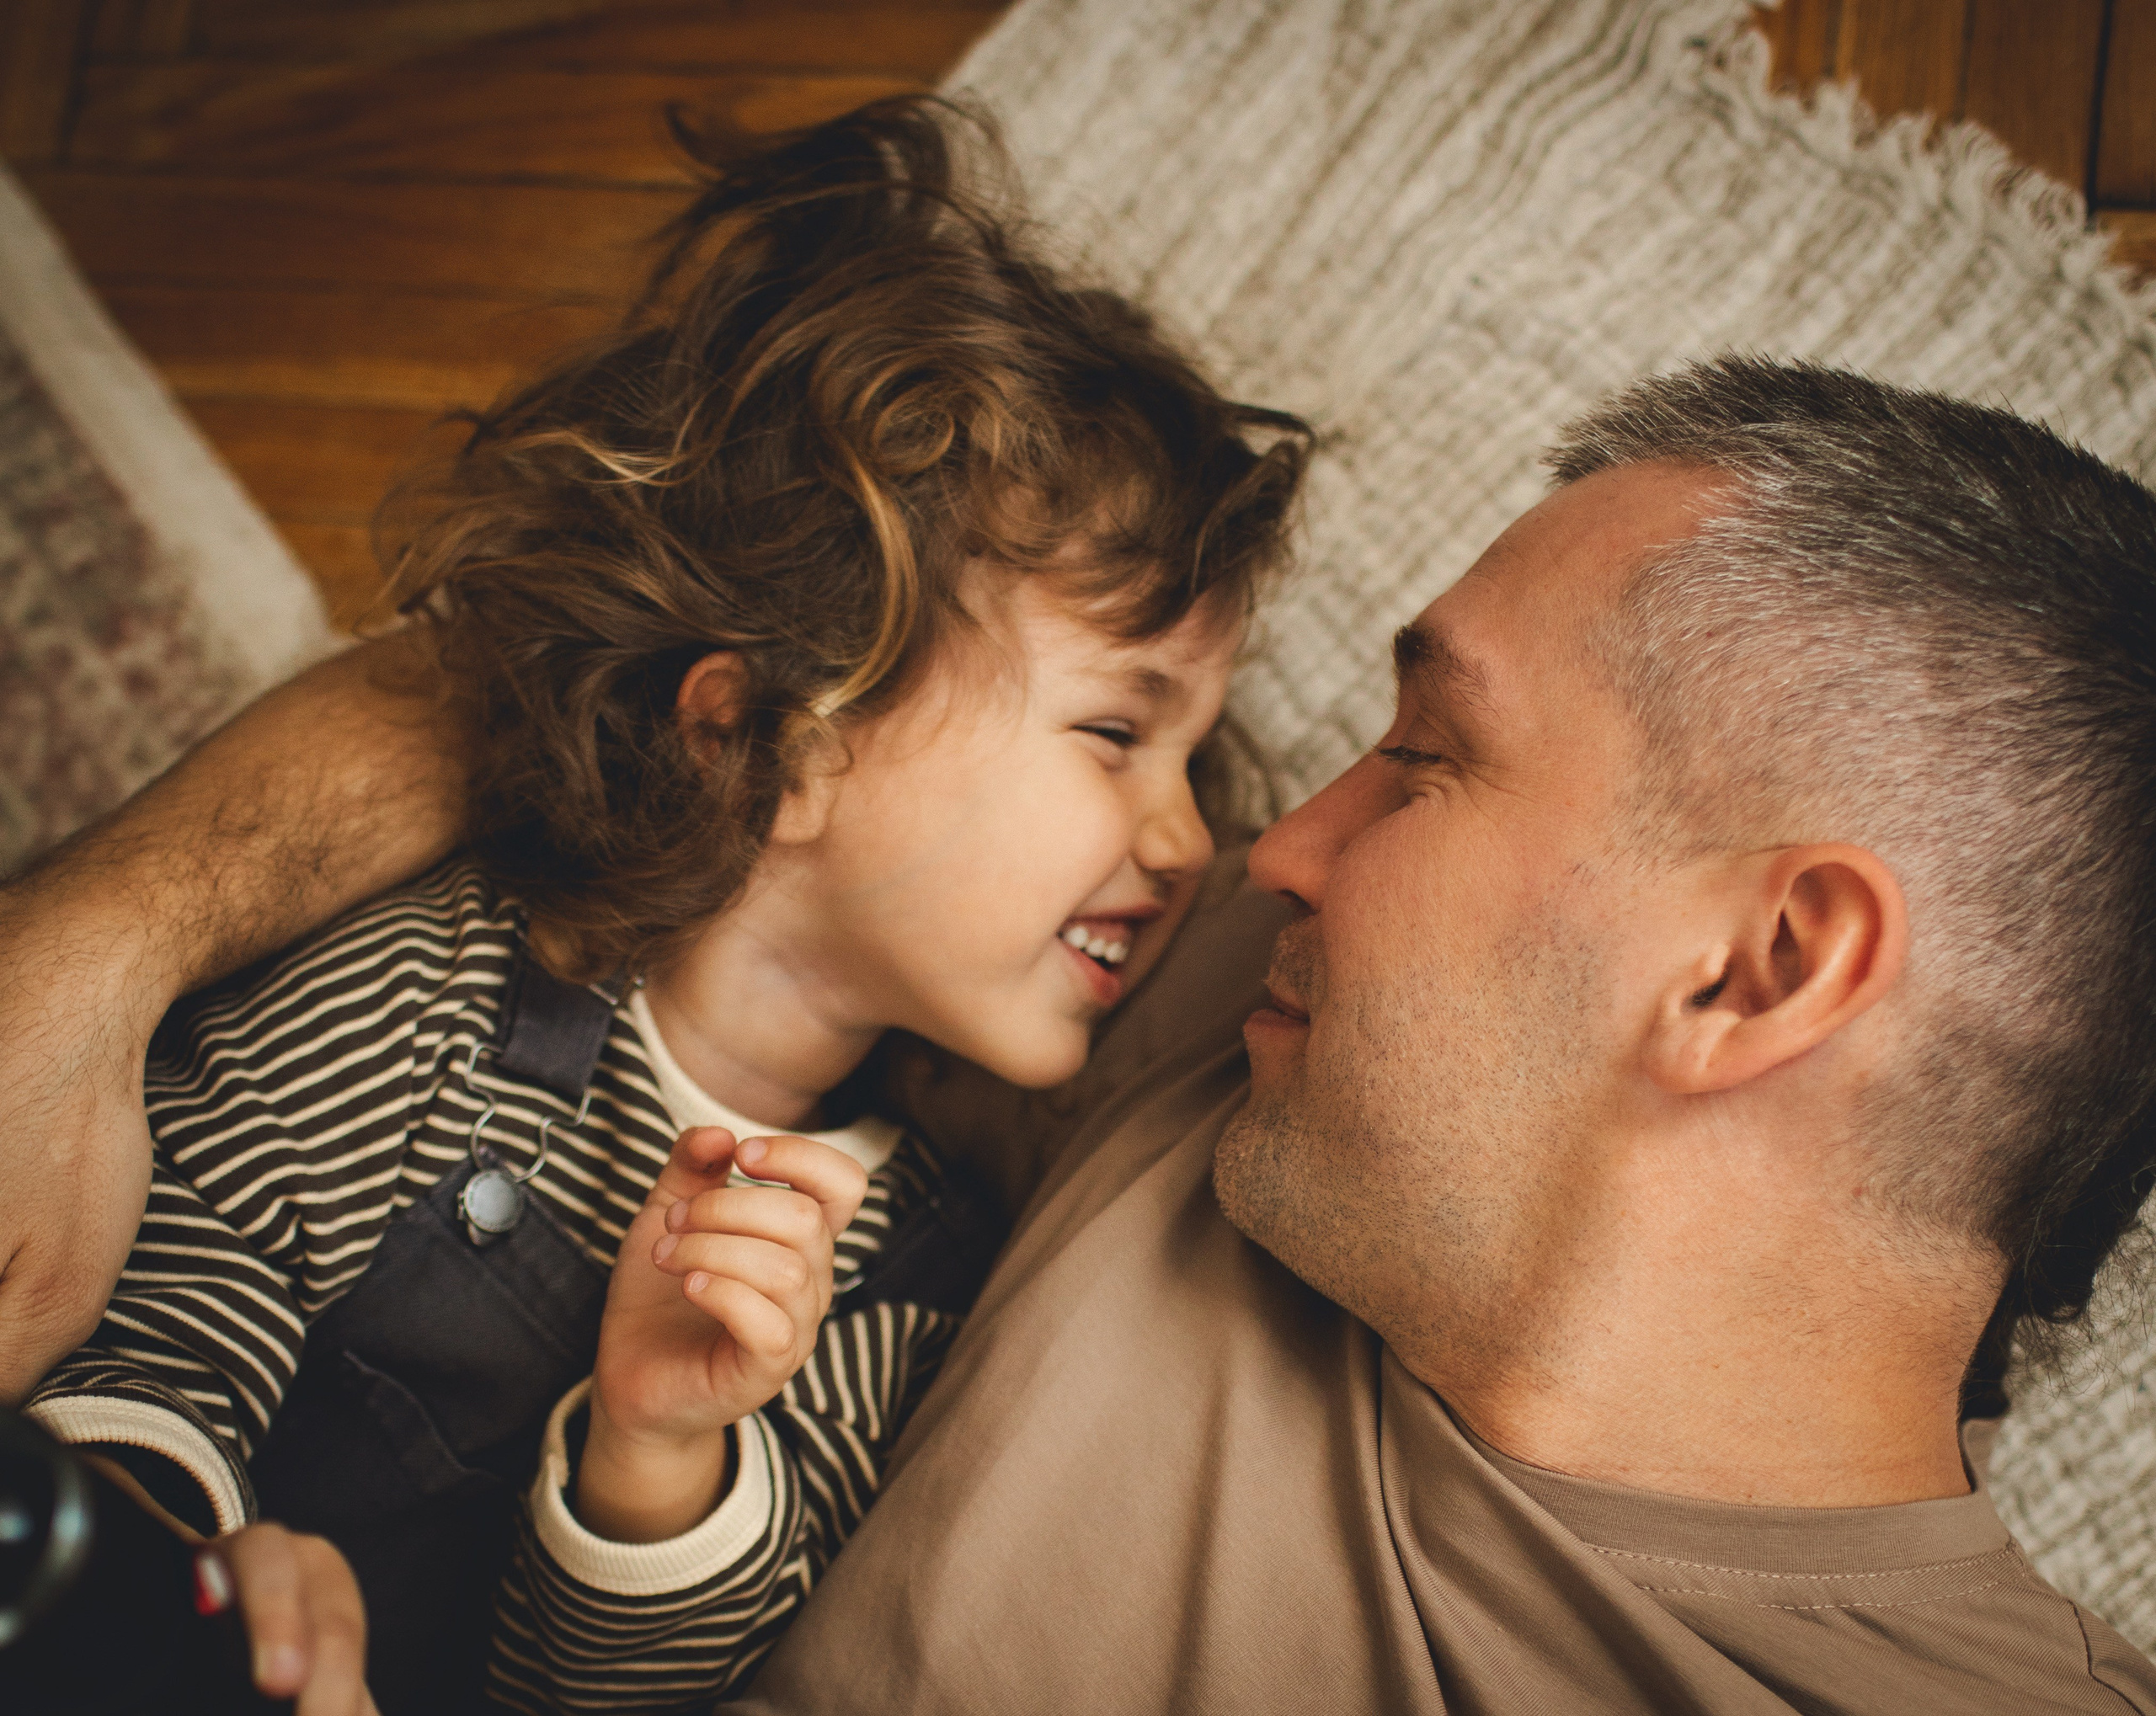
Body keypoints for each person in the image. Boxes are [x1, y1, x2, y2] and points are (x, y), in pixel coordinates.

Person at [6, 350, 2156, 1709]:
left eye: (1425, 755)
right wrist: (85, 956)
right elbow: (623, 686)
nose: (1266, 842)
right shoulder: (1245, 1019)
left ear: (1753, 970)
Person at [2, 100, 1305, 1715]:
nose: (1189, 840)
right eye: (1119, 731)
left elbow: (616, 1691)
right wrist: (178, 1570)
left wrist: (657, 1451)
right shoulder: (433, 986)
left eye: (1193, 758)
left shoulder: (909, 1278)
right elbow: (168, 1295)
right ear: (776, 737)